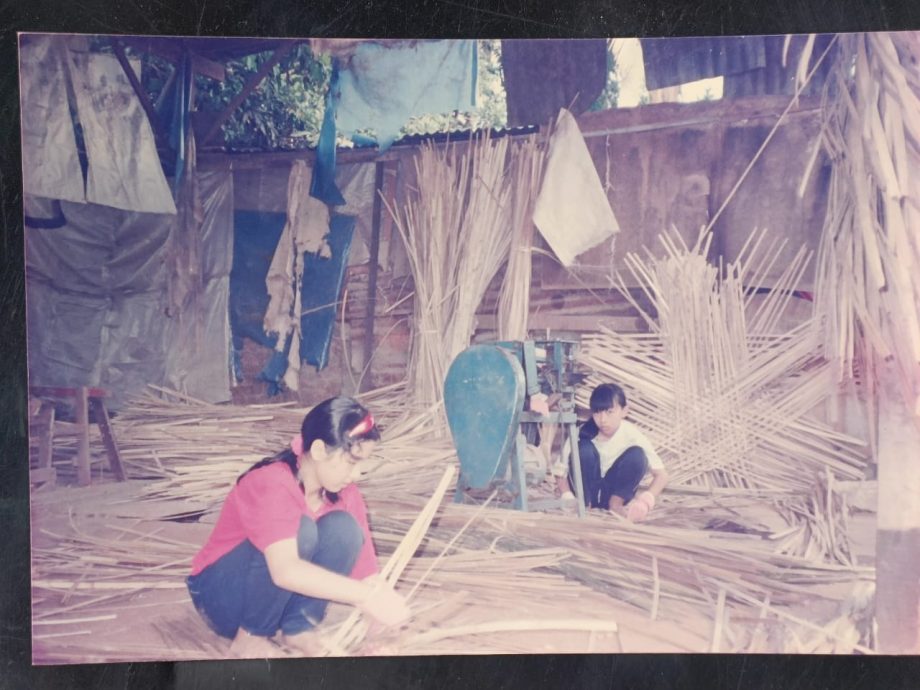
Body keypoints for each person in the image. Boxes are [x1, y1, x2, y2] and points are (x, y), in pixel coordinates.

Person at [186, 396, 410, 658]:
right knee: (301, 532)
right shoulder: (272, 482)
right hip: (221, 597)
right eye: (352, 462)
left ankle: (300, 629)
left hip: (275, 599)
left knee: (345, 530)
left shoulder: (347, 494)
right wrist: (365, 597)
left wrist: (381, 627)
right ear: (318, 451)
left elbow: (367, 575)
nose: (357, 474)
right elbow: (285, 572)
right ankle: (251, 637)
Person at [553, 383, 669, 521]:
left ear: (624, 411)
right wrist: (567, 495)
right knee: (583, 449)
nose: (603, 420)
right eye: (597, 412)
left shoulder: (633, 435)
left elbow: (662, 475)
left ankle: (615, 505)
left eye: (609, 412)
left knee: (638, 455)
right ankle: (586, 505)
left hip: (612, 492)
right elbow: (560, 470)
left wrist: (646, 500)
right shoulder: (581, 432)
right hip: (585, 494)